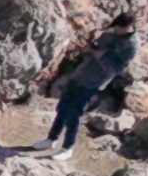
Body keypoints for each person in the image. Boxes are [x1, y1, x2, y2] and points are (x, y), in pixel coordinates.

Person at [47, 15, 139, 151]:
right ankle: (51, 139)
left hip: (94, 82)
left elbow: (119, 69)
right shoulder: (109, 34)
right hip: (80, 74)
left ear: (129, 27)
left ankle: (67, 147)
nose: (117, 30)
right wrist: (87, 50)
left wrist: (99, 56)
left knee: (76, 113)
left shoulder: (132, 45)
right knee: (63, 106)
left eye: (120, 28)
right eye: (116, 27)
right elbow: (93, 49)